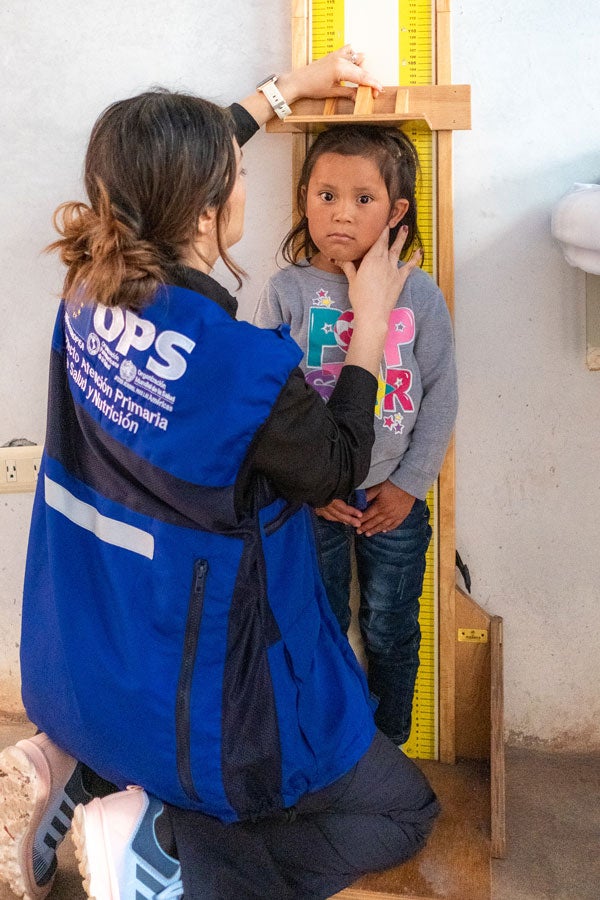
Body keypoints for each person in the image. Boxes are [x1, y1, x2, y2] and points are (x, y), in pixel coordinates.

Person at [0, 49, 439, 900]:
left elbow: (158, 176)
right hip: (196, 704)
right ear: (210, 208)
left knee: (133, 732)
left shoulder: (88, 286)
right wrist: (374, 318)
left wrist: (280, 95)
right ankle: (157, 843)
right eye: (236, 172)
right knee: (398, 813)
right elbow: (339, 468)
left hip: (86, 664)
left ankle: (70, 766)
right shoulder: (245, 372)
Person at [253, 124, 458, 747]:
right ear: (304, 199)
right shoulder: (288, 291)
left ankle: (387, 744)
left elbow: (441, 393)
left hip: (392, 502)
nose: (341, 213)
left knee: (391, 627)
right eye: (326, 196)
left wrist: (408, 485)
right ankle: (326, 748)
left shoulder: (419, 294)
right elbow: (265, 404)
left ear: (396, 210)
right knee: (319, 624)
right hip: (313, 502)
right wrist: (308, 487)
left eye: (364, 199)